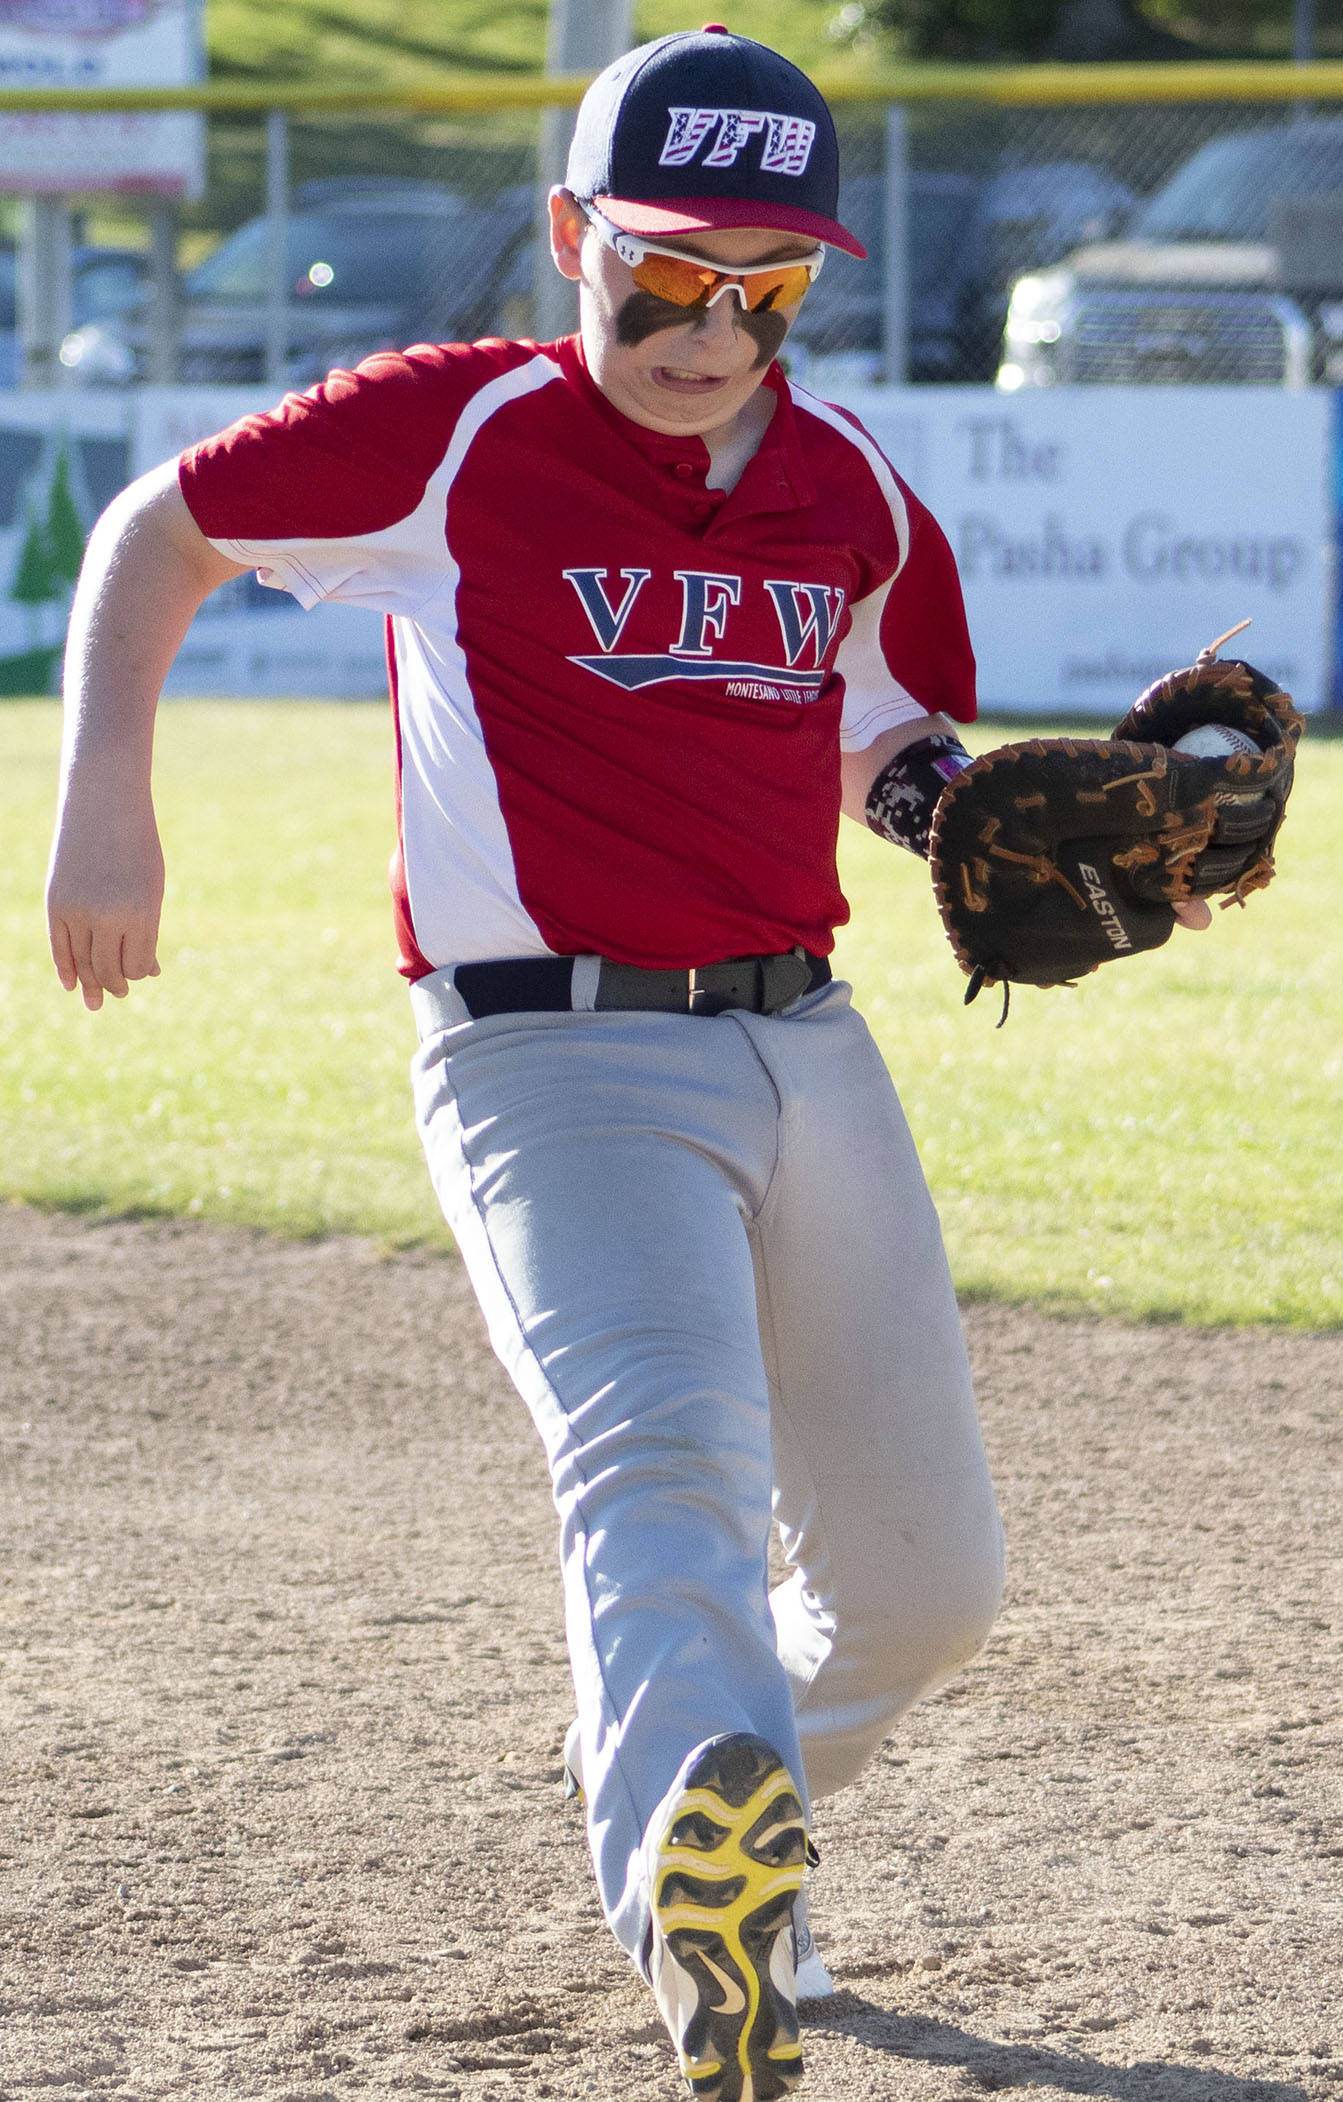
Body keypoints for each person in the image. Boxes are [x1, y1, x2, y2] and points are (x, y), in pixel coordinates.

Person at [53, 25, 1208, 2100]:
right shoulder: (460, 434)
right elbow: (160, 527)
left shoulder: (847, 485)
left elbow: (885, 730)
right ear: (577, 236)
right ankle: (700, 1857)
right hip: (550, 1062)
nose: (711, 324)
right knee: (664, 1463)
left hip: (807, 1035)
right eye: (669, 269)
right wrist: (102, 803)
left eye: (765, 285)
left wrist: (971, 816)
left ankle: (715, 1806)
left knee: (930, 1579)